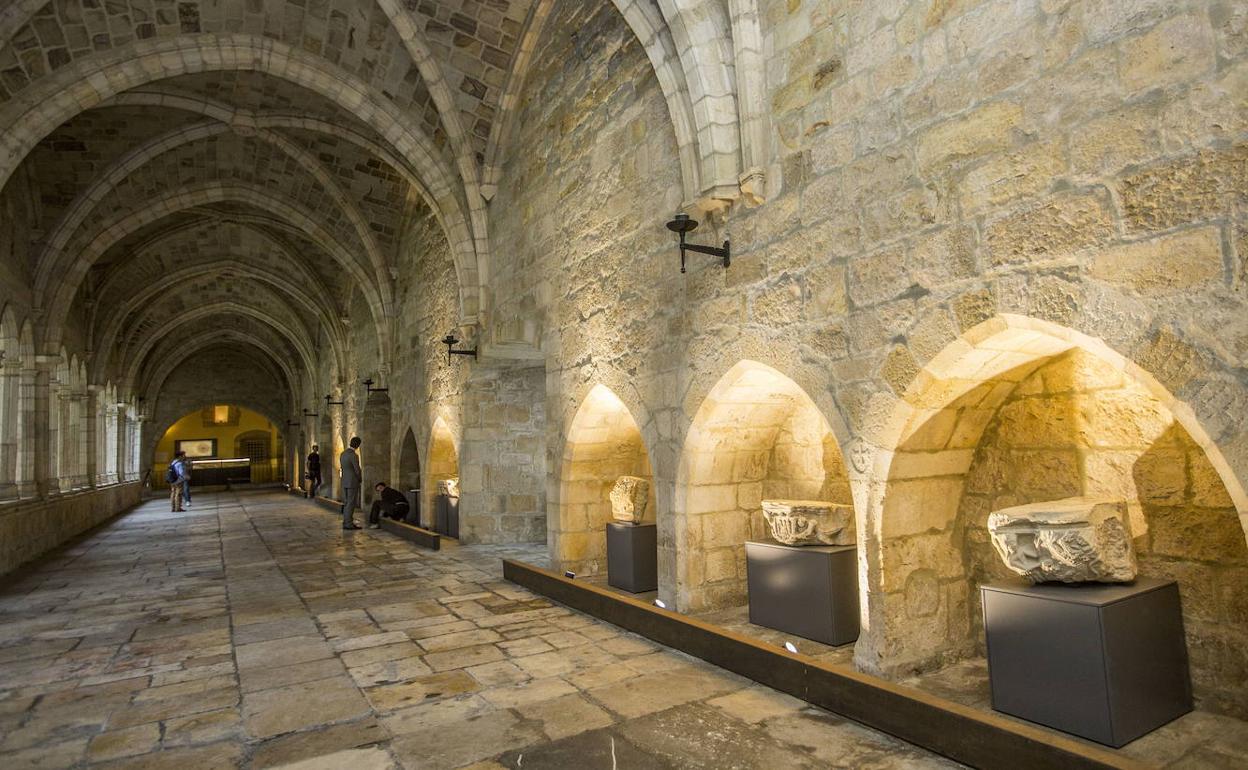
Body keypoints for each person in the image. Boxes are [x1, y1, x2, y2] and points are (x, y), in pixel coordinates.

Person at [340, 436, 362, 530]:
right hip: (352, 482)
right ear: (357, 445)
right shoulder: (353, 455)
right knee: (351, 503)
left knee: (347, 502)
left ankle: (346, 521)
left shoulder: (343, 454)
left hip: (345, 481)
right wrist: (360, 478)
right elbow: (357, 469)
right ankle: (348, 523)